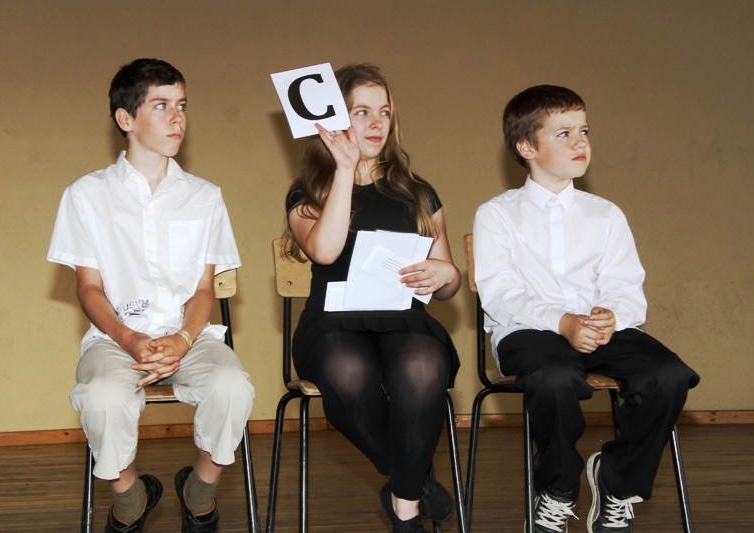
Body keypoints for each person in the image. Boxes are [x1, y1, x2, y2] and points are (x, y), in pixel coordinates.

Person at [472, 85, 700, 533]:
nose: (580, 142)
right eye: (564, 133)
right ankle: (557, 489)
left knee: (669, 375)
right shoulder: (497, 214)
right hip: (530, 331)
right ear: (526, 147)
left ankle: (617, 480)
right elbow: (499, 293)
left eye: (584, 131)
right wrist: (561, 322)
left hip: (599, 330)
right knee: (555, 377)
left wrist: (612, 314)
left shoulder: (606, 214)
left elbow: (625, 284)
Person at [47, 58, 255, 533]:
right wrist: (129, 338)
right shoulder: (86, 195)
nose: (178, 117)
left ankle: (199, 493)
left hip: (190, 337)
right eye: (161, 105)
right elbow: (89, 288)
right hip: (116, 338)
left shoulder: (205, 196)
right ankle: (130, 499)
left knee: (232, 387)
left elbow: (203, 289)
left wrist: (182, 340)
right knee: (101, 396)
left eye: (182, 105)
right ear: (126, 118)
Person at [284, 64, 461, 533]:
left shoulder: (418, 192)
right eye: (361, 112)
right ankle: (412, 481)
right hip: (332, 322)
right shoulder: (309, 191)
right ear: (334, 119)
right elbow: (325, 251)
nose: (377, 122)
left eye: (384, 111)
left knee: (422, 369)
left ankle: (405, 510)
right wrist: (345, 169)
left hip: (402, 316)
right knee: (348, 373)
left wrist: (447, 273)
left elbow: (448, 284)